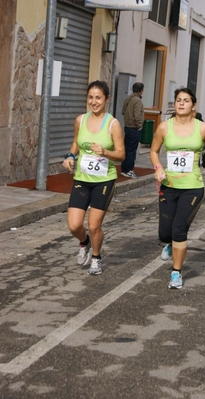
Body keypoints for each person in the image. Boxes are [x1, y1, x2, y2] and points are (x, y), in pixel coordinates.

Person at [150, 87, 205, 289]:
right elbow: (153, 150)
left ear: (193, 105)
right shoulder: (164, 127)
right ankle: (170, 243)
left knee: (179, 230)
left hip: (193, 187)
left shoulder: (202, 128)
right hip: (169, 185)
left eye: (185, 100)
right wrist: (158, 167)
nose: (181, 103)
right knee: (165, 233)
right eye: (178, 100)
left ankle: (176, 273)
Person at [63, 80, 125, 275]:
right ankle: (85, 242)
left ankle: (97, 258)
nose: (94, 101)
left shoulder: (113, 124)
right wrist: (70, 156)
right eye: (90, 97)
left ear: (106, 99)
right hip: (82, 178)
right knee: (74, 225)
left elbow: (121, 155)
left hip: (103, 180)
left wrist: (105, 152)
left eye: (98, 97)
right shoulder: (80, 120)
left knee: (94, 224)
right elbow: (75, 142)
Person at [121, 82, 144, 178]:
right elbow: (137, 115)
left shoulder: (128, 98)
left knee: (127, 148)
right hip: (134, 128)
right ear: (141, 91)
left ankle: (124, 168)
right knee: (132, 150)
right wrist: (139, 126)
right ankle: (129, 170)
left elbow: (122, 111)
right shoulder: (137, 101)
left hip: (127, 126)